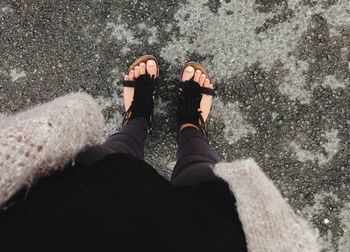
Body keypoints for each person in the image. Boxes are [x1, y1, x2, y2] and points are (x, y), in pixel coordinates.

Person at [0, 55, 320, 251]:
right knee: (204, 180)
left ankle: (139, 118)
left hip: (59, 221)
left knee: (111, 162)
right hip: (203, 236)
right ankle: (190, 127)